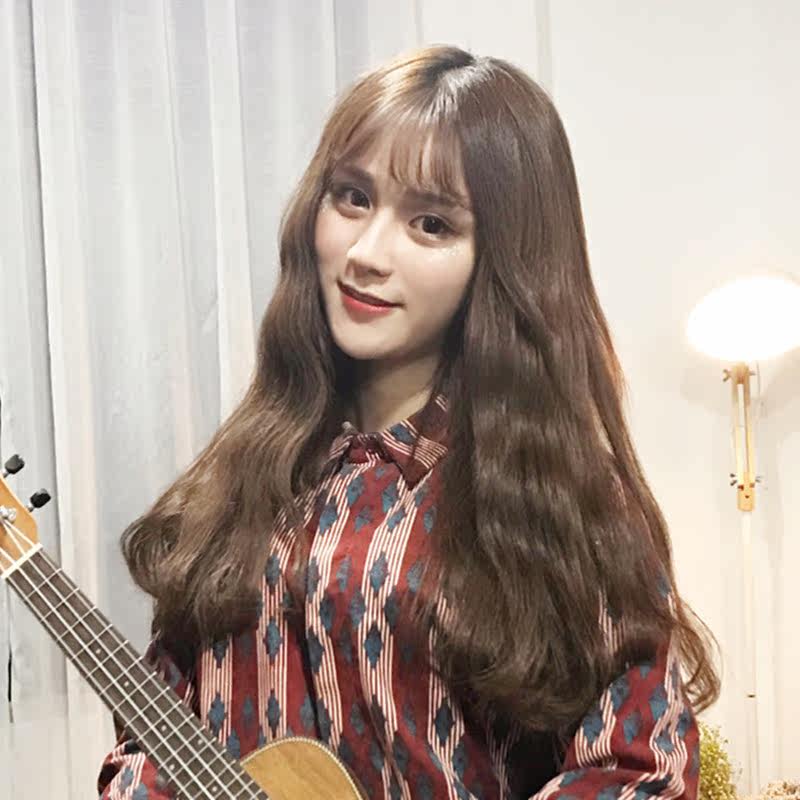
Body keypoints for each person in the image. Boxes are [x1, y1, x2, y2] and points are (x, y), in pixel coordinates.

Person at [97, 43, 720, 800]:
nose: (365, 253)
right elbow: (153, 735)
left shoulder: (568, 502)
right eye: (352, 197)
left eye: (430, 224)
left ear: (503, 260)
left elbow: (639, 770)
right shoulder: (241, 477)